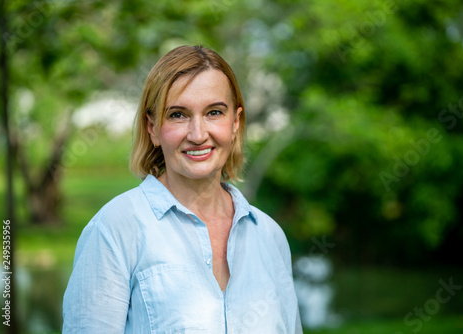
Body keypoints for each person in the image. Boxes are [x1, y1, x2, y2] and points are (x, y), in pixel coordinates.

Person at [62, 45, 302, 333]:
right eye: (178, 115)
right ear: (152, 128)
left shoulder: (269, 235)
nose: (198, 134)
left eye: (214, 112)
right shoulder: (115, 229)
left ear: (235, 122)